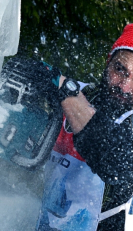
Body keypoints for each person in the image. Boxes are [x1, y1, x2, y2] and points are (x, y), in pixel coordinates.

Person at [35, 24, 133, 231]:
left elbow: (114, 161)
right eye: (120, 69)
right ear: (108, 63)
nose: (124, 86)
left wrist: (65, 92)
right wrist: (33, 75)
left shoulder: (69, 92)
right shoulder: (78, 92)